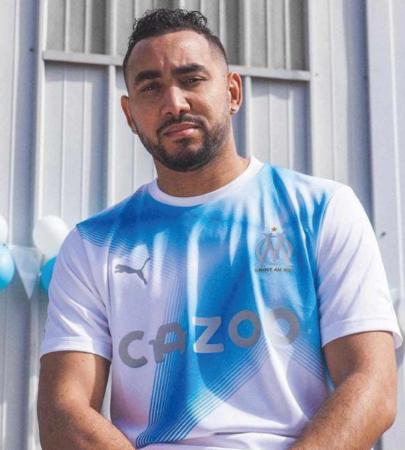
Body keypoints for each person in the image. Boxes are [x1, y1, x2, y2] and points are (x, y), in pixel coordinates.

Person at [37, 8, 403, 450]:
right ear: (130, 114)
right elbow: (63, 411)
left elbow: (372, 384)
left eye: (192, 79)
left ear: (232, 92)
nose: (174, 103)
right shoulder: (92, 245)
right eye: (151, 87)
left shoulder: (323, 210)